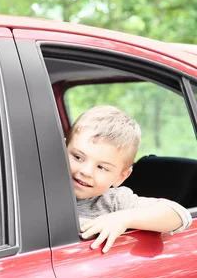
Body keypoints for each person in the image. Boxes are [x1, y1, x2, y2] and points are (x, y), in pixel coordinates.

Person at [67, 105, 191, 253]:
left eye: (102, 167)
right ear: (62, 148)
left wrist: (123, 218)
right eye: (78, 157)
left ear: (120, 177)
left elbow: (179, 215)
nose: (86, 172)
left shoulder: (114, 201)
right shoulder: (40, 186)